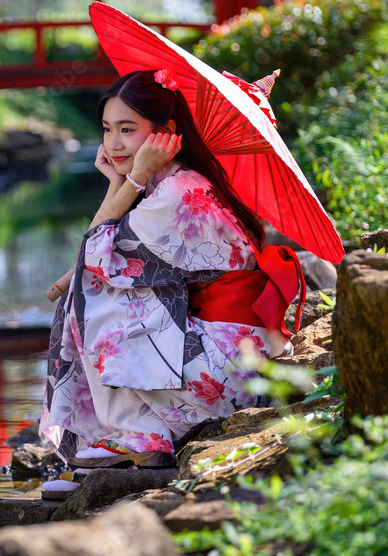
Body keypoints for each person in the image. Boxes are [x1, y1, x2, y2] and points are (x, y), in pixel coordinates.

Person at [39, 68, 302, 478]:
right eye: (108, 129)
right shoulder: (166, 186)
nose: (114, 143)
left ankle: (140, 434)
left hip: (230, 367)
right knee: (96, 290)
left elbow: (94, 256)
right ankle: (135, 433)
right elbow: (98, 245)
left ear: (168, 133)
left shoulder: (178, 193)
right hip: (228, 350)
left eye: (128, 129)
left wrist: (131, 178)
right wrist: (121, 181)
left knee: (91, 293)